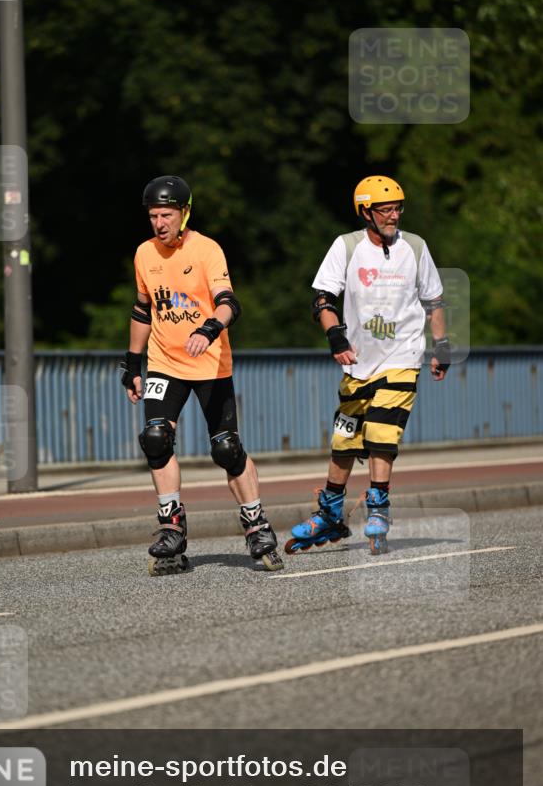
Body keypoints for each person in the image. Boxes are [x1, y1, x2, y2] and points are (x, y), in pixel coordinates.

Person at [121, 175, 282, 576]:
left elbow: (229, 303)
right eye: (154, 216)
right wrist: (132, 364)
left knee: (226, 448)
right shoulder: (144, 253)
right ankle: (171, 527)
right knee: (155, 437)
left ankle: (256, 524)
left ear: (184, 212)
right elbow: (144, 310)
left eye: (167, 215)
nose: (160, 223)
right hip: (164, 363)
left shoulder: (207, 249)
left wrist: (208, 329)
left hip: (210, 362)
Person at [285, 175, 450, 556]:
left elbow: (434, 301)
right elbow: (322, 299)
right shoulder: (346, 246)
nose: (394, 215)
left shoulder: (415, 246)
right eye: (385, 209)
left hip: (403, 357)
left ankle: (378, 508)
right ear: (365, 212)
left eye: (397, 208)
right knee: (344, 441)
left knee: (381, 430)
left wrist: (441, 345)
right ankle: (329, 513)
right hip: (358, 363)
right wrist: (336, 337)